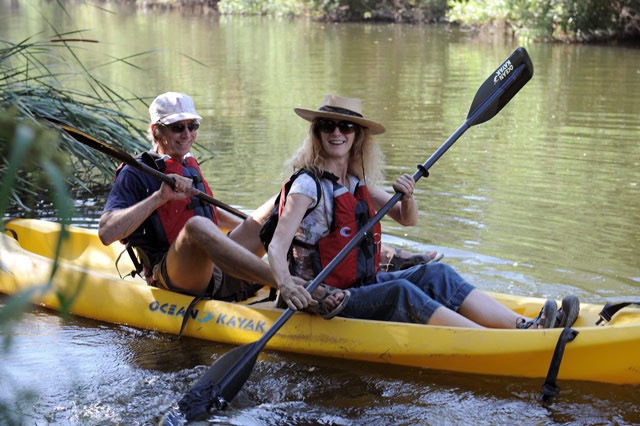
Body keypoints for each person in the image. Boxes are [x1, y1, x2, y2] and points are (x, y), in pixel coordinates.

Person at [264, 94, 580, 329]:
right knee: (401, 290)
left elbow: (407, 219)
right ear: (318, 133)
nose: (337, 133)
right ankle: (495, 341)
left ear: (357, 135)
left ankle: (521, 326)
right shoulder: (308, 186)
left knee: (436, 273)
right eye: (328, 126)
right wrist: (289, 287)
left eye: (346, 126)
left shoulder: (356, 183)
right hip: (324, 298)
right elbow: (277, 246)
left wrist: (407, 196)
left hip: (359, 288)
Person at [98, 91, 349, 313]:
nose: (187, 134)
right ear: (156, 130)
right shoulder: (135, 172)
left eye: (192, 125)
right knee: (197, 226)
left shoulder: (187, 163)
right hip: (172, 274)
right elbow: (107, 233)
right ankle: (292, 284)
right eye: (177, 128)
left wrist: (262, 225)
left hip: (213, 266)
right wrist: (159, 198)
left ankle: (315, 268)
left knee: (280, 204)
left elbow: (212, 212)